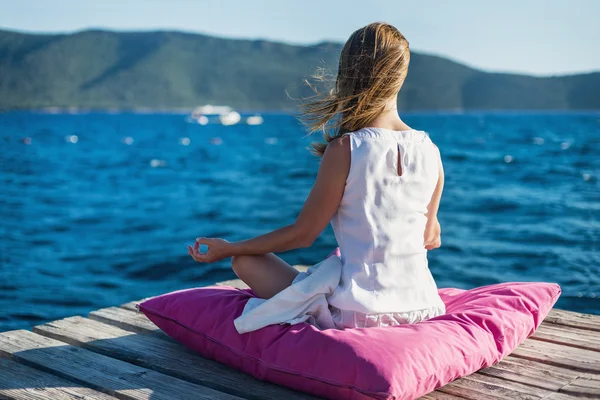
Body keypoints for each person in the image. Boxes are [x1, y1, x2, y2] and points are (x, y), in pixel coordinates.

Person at [188, 22, 446, 329]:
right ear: (401, 76)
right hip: (424, 306)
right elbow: (430, 237)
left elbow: (303, 234)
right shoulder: (430, 150)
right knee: (330, 267)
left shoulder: (347, 148)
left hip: (360, 314)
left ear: (348, 73)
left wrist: (230, 248)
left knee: (245, 261)